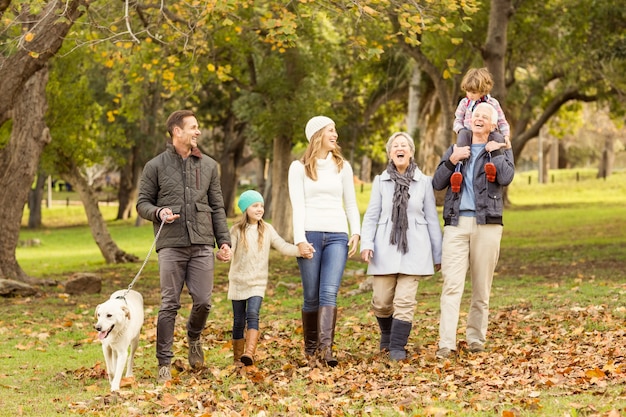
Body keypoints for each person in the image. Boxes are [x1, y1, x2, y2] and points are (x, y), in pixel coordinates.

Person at [136, 109, 232, 382]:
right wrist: (158, 213)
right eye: (193, 127)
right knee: (169, 304)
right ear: (177, 131)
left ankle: (193, 337)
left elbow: (217, 207)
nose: (197, 132)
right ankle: (163, 363)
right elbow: (142, 203)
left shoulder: (210, 166)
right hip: (170, 244)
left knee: (203, 301)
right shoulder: (154, 166)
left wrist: (224, 241)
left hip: (202, 243)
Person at [433, 102, 515, 359]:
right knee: (451, 286)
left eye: (485, 117)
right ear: (469, 121)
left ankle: (476, 339)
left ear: (493, 125)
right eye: (475, 115)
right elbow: (437, 182)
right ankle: (446, 344)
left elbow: (506, 177)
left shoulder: (500, 148)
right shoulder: (457, 148)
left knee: (481, 287)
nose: (479, 119)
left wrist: (498, 151)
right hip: (456, 225)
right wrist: (451, 160)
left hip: (487, 224)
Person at [360, 132, 442, 361]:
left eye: (404, 145)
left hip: (415, 248)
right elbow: (371, 215)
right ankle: (387, 334)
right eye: (395, 145)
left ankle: (397, 347)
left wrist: (438, 254)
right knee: (382, 301)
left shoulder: (424, 182)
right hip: (385, 247)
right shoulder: (380, 181)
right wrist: (366, 243)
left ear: (411, 151)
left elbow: (432, 219)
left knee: (404, 301)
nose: (400, 148)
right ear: (390, 154)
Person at [288, 115, 361, 367]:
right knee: (311, 295)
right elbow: (297, 207)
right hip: (310, 235)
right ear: (318, 134)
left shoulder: (342, 166)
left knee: (329, 292)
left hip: (337, 236)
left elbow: (351, 204)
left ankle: (326, 350)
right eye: (331, 130)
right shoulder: (298, 168)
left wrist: (356, 232)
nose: (335, 134)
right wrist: (299, 240)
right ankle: (310, 349)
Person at [228, 190, 312, 367]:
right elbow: (229, 250)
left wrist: (300, 250)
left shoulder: (267, 229)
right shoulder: (235, 230)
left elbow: (282, 246)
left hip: (257, 282)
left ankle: (249, 354)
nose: (260, 209)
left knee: (253, 314)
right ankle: (237, 359)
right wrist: (224, 253)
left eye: (261, 206)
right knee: (238, 321)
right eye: (255, 205)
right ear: (245, 209)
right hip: (238, 282)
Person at [451, 67, 511, 193]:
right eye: (468, 91)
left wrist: (505, 136)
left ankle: (492, 170)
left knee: (497, 138)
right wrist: (460, 129)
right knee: (462, 137)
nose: (470, 95)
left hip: (488, 133)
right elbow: (457, 120)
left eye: (473, 92)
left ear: (483, 90)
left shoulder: (492, 103)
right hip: (469, 134)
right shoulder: (464, 103)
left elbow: (501, 121)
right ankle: (458, 173)